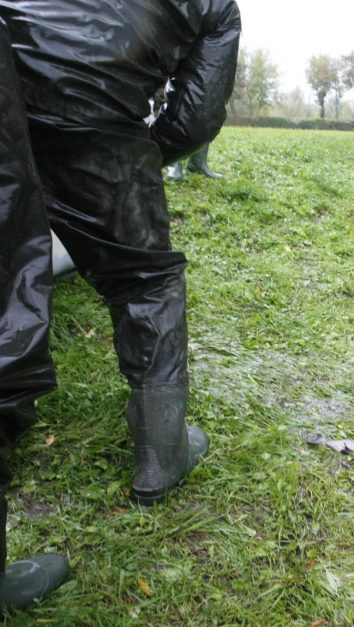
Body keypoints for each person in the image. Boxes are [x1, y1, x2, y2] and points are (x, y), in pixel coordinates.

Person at [0, 0, 240, 610]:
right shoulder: (217, 5)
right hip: (97, 106)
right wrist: (133, 159)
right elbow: (195, 119)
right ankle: (161, 456)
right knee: (147, 279)